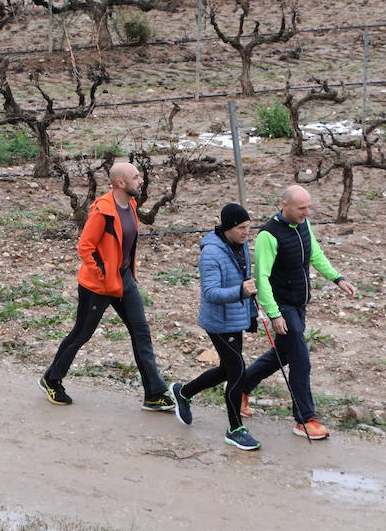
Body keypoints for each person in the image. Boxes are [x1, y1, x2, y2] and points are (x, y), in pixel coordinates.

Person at [40, 161, 175, 412]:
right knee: (81, 334)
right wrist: (104, 275)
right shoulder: (103, 211)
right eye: (136, 177)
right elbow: (85, 247)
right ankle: (52, 379)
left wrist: (124, 274)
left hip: (124, 281)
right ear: (120, 183)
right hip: (98, 286)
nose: (141, 181)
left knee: (141, 332)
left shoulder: (131, 205)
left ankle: (154, 394)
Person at [235, 185, 356, 441]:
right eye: (302, 208)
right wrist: (274, 314)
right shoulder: (268, 235)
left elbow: (315, 254)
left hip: (299, 303)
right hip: (282, 306)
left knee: (283, 353)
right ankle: (304, 419)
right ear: (285, 205)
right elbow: (262, 277)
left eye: (308, 207)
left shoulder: (303, 224)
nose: (306, 212)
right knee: (301, 359)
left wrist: (337, 278)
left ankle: (240, 390)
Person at [167, 203, 261, 450]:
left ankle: (184, 392)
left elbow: (245, 280)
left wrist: (251, 313)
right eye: (241, 228)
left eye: (248, 227)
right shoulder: (210, 253)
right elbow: (210, 293)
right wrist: (241, 291)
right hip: (218, 322)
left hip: (235, 317)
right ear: (228, 227)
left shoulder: (240, 245)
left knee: (227, 369)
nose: (246, 233)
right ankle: (235, 429)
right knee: (237, 369)